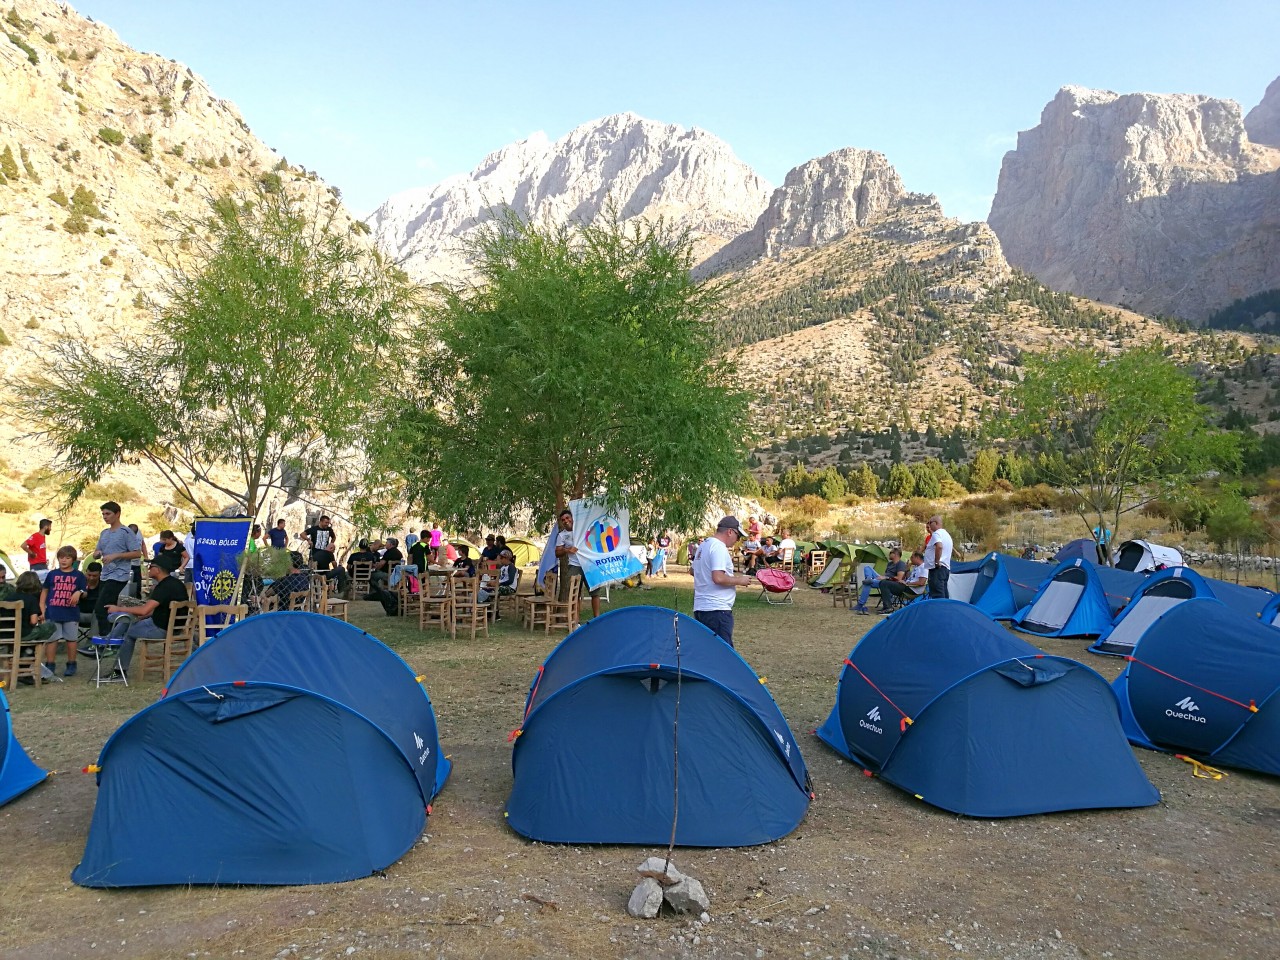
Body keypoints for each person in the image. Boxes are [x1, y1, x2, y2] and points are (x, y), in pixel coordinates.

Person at [102, 552, 189, 678]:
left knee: (128, 633)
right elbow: (157, 609)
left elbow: (144, 610)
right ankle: (107, 641)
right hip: (172, 627)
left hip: (161, 628)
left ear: (157, 570)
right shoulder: (176, 584)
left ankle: (118, 668)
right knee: (130, 620)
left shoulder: (163, 587)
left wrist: (118, 608)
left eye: (151, 566)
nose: (148, 569)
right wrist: (139, 615)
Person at [692, 516, 753, 646]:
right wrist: (740, 580)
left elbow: (693, 571)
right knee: (724, 654)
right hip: (717, 610)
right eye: (738, 536)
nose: (737, 540)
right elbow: (718, 577)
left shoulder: (704, 545)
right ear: (730, 531)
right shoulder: (718, 547)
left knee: (707, 651)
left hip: (701, 608)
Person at [91, 501, 143, 636]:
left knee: (100, 608)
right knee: (108, 606)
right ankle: (112, 637)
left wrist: (117, 555)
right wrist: (96, 554)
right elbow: (98, 550)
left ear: (117, 514)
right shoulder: (104, 533)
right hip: (105, 574)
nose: (105, 517)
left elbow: (137, 553)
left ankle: (105, 639)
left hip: (119, 574)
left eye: (108, 514)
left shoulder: (126, 532)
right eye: (103, 514)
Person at [40, 545, 86, 677]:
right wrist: (42, 609)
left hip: (71, 613)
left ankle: (71, 664)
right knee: (52, 640)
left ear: (73, 560)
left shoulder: (79, 575)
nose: (63, 560)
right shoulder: (52, 574)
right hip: (53, 612)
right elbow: (44, 592)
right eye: (61, 557)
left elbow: (85, 592)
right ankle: (50, 665)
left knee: (71, 640)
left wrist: (79, 592)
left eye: (67, 557)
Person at [554, 508, 601, 618]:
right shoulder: (562, 535)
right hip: (575, 566)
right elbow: (557, 552)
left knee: (595, 593)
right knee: (575, 595)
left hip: (589, 564)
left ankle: (597, 619)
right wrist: (567, 550)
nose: (566, 521)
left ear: (572, 518)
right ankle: (576, 622)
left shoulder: (583, 529)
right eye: (563, 519)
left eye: (567, 518)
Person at [14, 571, 57, 683]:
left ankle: (27, 651)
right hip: (23, 634)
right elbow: (33, 621)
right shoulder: (31, 599)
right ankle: (28, 655)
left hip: (7, 635)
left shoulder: (9, 597)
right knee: (50, 627)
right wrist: (39, 618)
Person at [854, 547, 907, 615]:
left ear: (896, 554)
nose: (889, 554)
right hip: (883, 579)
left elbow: (899, 578)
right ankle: (869, 579)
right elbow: (885, 574)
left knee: (867, 584)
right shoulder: (890, 564)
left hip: (889, 582)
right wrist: (880, 577)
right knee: (867, 567)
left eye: (891, 553)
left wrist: (885, 577)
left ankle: (860, 604)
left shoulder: (901, 564)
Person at [924, 514, 953, 599]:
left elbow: (939, 546)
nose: (928, 525)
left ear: (936, 523)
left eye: (930, 522)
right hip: (945, 568)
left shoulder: (937, 534)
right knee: (943, 593)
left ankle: (939, 611)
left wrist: (937, 561)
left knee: (937, 595)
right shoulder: (946, 535)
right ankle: (946, 611)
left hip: (937, 569)